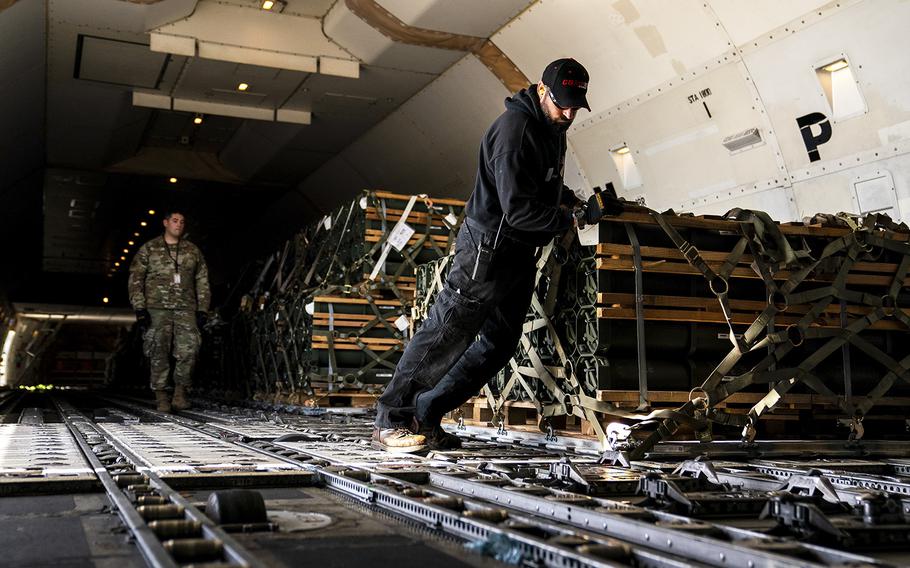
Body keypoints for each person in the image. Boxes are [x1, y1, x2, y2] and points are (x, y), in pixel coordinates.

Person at [373, 58, 623, 452]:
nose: (570, 113)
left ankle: (427, 413)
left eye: (576, 106)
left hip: (518, 252)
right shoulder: (515, 131)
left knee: (499, 343)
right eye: (563, 104)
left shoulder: (552, 129)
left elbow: (543, 187)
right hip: (487, 251)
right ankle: (392, 419)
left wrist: (578, 202)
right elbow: (519, 209)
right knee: (447, 332)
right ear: (542, 91)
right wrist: (572, 217)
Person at [128, 209, 211, 412]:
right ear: (165, 223)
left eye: (182, 222)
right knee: (158, 351)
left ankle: (180, 394)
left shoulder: (192, 251)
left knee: (189, 350)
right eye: (175, 221)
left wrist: (203, 309)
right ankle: (161, 396)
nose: (179, 225)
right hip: (156, 308)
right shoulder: (149, 249)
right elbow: (136, 278)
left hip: (186, 307)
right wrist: (140, 308)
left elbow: (202, 280)